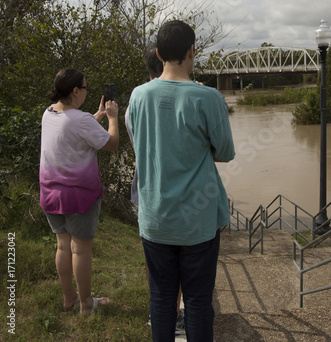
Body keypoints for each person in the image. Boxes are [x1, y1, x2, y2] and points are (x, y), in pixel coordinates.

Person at [127, 20, 235, 341]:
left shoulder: (138, 96)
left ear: (159, 53)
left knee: (161, 299)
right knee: (199, 302)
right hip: (197, 222)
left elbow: (143, 146)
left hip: (155, 219)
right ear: (191, 51)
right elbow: (225, 152)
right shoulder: (208, 98)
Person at [40, 68, 118, 314]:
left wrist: (98, 114)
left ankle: (69, 299)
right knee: (81, 250)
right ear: (75, 90)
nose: (86, 91)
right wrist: (113, 118)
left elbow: (73, 129)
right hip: (79, 195)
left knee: (63, 246)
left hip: (51, 193)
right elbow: (112, 144)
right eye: (85, 87)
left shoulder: (49, 113)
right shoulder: (80, 120)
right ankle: (86, 305)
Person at [124, 43, 185, 332]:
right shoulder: (187, 96)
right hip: (181, 191)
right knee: (185, 252)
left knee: (156, 256)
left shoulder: (135, 101)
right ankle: (176, 310)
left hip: (146, 190)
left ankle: (161, 310)